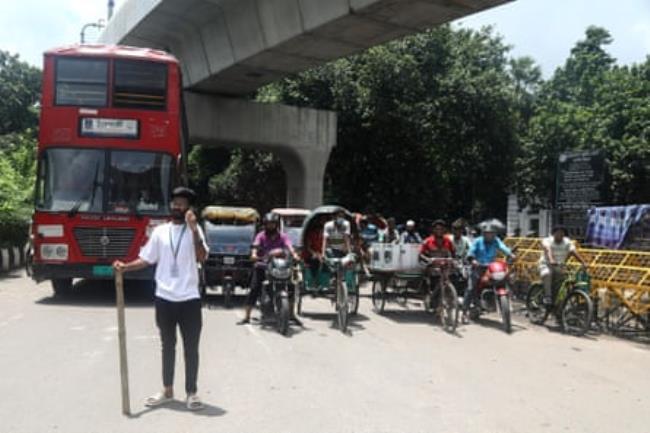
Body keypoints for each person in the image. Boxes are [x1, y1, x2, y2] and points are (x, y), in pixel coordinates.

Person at [113, 186, 208, 411]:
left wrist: (194, 230)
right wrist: (125, 267)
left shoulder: (196, 231)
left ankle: (192, 392)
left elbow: (202, 257)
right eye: (175, 202)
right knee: (168, 345)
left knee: (191, 347)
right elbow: (146, 259)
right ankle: (167, 390)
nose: (177, 206)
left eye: (182, 203)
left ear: (189, 208)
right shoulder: (160, 232)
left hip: (189, 298)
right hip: (164, 298)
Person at [239, 212, 300, 325]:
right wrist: (254, 254)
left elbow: (289, 246)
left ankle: (291, 314)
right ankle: (247, 316)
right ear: (265, 224)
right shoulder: (261, 235)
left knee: (291, 286)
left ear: (276, 225)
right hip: (263, 265)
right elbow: (255, 246)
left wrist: (295, 255)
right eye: (268, 224)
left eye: (272, 224)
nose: (270, 226)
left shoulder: (283, 236)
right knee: (255, 288)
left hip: (280, 267)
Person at [461, 223, 516, 323]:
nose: (490, 236)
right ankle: (464, 312)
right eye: (487, 234)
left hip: (491, 268)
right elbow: (471, 252)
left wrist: (511, 254)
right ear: (483, 234)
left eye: (492, 234)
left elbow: (503, 247)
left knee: (505, 279)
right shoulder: (478, 241)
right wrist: (473, 260)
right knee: (470, 288)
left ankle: (509, 301)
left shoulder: (496, 241)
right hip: (478, 267)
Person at [539, 226, 587, 305]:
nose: (560, 235)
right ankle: (547, 296)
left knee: (563, 281)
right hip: (546, 264)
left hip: (559, 265)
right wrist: (551, 260)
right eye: (558, 232)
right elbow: (548, 250)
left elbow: (573, 252)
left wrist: (583, 262)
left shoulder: (567, 242)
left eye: (562, 233)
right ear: (553, 234)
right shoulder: (547, 241)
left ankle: (559, 301)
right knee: (547, 274)